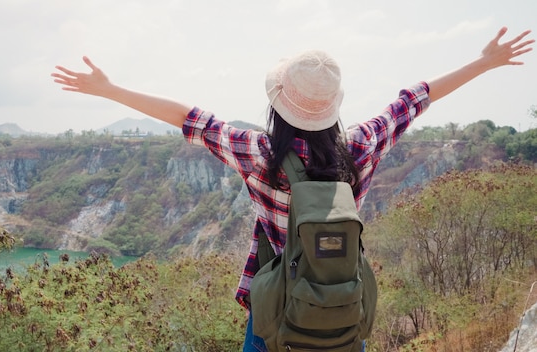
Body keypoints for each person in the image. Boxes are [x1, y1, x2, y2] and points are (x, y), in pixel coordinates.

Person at [51, 26, 533, 351]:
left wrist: (110, 90)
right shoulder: (361, 147)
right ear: (333, 107)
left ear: (278, 102)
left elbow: (188, 117)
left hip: (276, 315)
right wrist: (485, 62)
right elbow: (413, 100)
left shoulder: (257, 153)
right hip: (343, 312)